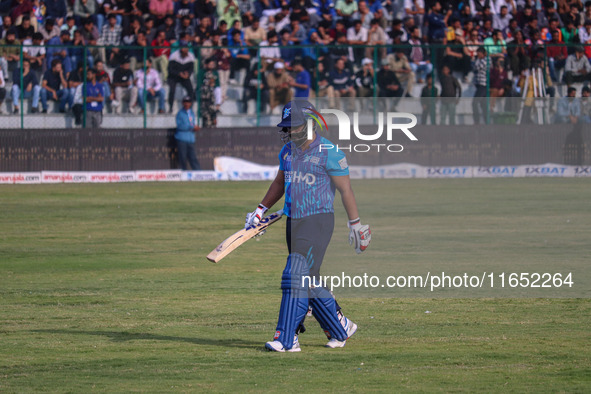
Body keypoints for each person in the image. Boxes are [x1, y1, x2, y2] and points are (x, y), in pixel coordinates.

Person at [247, 99, 371, 352]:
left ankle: (286, 338)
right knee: (310, 280)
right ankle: (341, 327)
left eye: (295, 126)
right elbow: (280, 183)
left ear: (310, 123)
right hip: (293, 221)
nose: (290, 131)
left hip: (318, 220)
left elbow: (345, 190)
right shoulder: (287, 152)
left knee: (294, 275)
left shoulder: (329, 151)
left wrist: (356, 225)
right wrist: (260, 210)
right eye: (287, 127)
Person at [175, 95, 201, 170]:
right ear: (183, 103)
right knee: (182, 158)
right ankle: (183, 173)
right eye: (185, 102)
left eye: (188, 102)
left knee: (193, 157)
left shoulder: (191, 113)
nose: (187, 104)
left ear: (190, 103)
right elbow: (180, 126)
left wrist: (195, 127)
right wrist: (191, 127)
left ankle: (198, 173)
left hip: (190, 139)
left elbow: (192, 123)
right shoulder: (180, 114)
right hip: (182, 139)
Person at [472, 47, 488, 124]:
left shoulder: (486, 60)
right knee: (483, 105)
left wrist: (476, 60)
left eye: (479, 53)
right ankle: (486, 121)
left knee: (475, 102)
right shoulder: (479, 60)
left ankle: (477, 121)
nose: (477, 55)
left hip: (483, 85)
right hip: (478, 85)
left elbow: (477, 67)